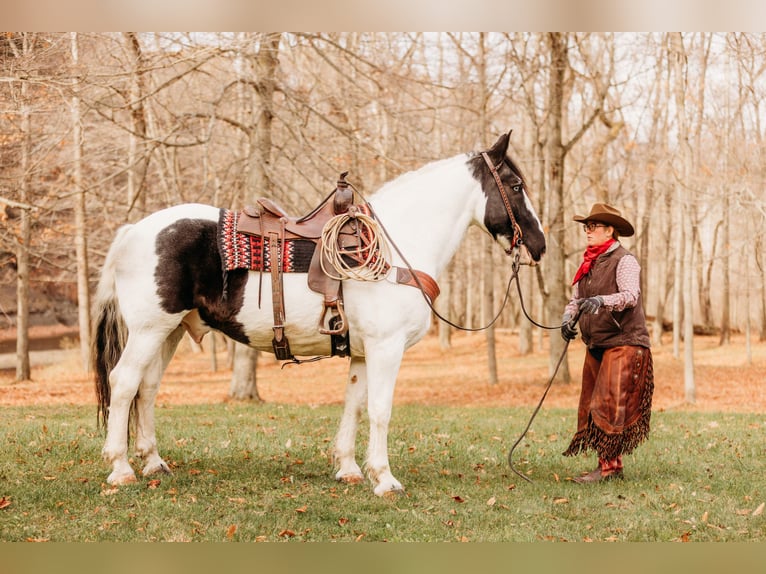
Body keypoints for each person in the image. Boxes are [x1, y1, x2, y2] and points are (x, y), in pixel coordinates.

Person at [560, 203, 654, 483]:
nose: (588, 232)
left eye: (594, 227)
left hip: (625, 342)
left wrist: (601, 301)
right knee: (592, 404)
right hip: (597, 343)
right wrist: (568, 319)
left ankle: (610, 469)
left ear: (610, 230)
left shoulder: (625, 260)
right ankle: (610, 466)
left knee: (608, 404)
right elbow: (576, 300)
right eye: (586, 227)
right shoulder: (587, 262)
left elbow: (630, 296)